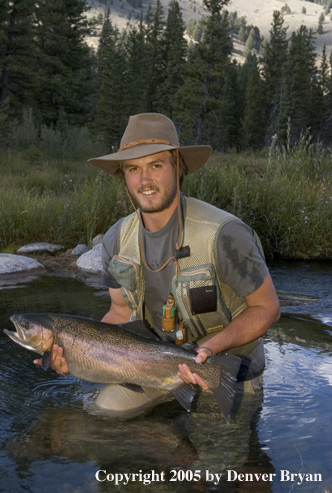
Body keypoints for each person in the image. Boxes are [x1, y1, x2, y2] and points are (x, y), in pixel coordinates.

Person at [35, 113, 280, 416]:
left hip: (224, 366)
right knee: (104, 416)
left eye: (156, 165)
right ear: (123, 176)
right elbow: (119, 312)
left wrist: (208, 351)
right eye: (133, 169)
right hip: (148, 366)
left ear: (178, 168)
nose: (145, 180)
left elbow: (266, 308)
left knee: (217, 460)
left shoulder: (224, 234)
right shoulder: (115, 240)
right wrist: (77, 354)